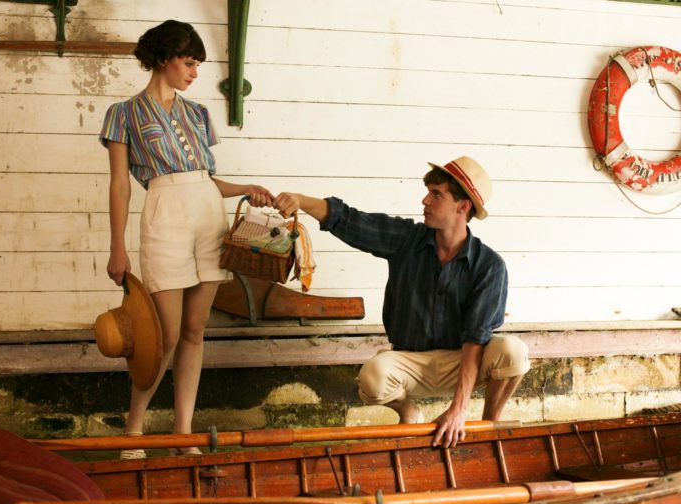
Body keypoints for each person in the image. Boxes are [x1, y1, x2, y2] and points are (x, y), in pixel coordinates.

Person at [99, 20, 274, 459]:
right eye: (189, 63)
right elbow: (119, 185)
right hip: (165, 213)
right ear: (164, 59)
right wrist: (117, 247)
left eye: (197, 65)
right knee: (163, 335)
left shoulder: (197, 114)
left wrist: (245, 187)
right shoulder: (123, 114)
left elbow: (205, 179)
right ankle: (133, 431)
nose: (195, 73)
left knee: (195, 330)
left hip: (208, 214)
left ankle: (183, 435)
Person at [274, 156, 530, 449]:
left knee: (513, 352)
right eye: (428, 192)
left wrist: (458, 410)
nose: (425, 201)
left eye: (437, 195)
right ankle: (409, 412)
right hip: (410, 363)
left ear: (463, 206)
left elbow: (475, 341)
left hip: (460, 360)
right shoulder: (406, 239)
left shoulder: (489, 266)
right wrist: (300, 201)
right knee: (372, 378)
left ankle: (489, 427)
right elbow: (349, 220)